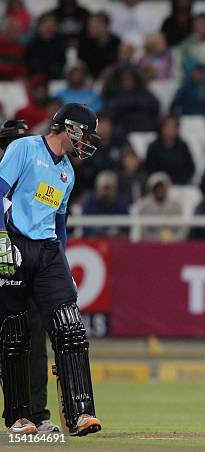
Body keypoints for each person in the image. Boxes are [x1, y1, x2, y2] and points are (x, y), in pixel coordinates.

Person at [0, 103, 102, 435]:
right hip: (14, 242)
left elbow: (59, 224)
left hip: (47, 251)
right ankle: (19, 417)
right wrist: (1, 238)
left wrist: (64, 260)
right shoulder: (24, 148)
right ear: (69, 127)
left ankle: (80, 413)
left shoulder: (67, 174)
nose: (87, 142)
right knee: (16, 334)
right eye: (85, 133)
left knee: (69, 325)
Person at [0, 120, 61, 434]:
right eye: (9, 144)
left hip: (29, 267)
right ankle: (18, 413)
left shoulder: (41, 182)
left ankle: (36, 414)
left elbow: (51, 222)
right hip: (4, 267)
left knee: (34, 342)